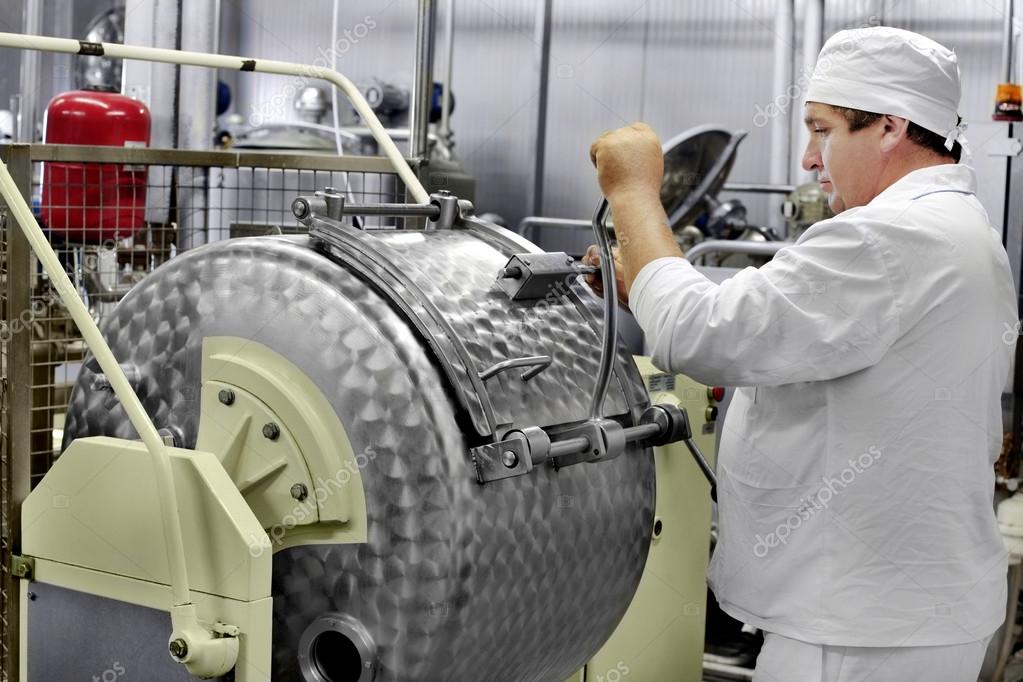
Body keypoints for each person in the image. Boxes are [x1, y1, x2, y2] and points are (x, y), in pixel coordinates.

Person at [585, 26, 1017, 682]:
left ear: (890, 127)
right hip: (902, 615)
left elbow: (700, 334)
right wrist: (643, 285)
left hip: (856, 631)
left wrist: (633, 193)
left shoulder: (888, 237)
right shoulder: (957, 227)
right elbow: (800, 328)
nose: (810, 160)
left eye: (821, 130)